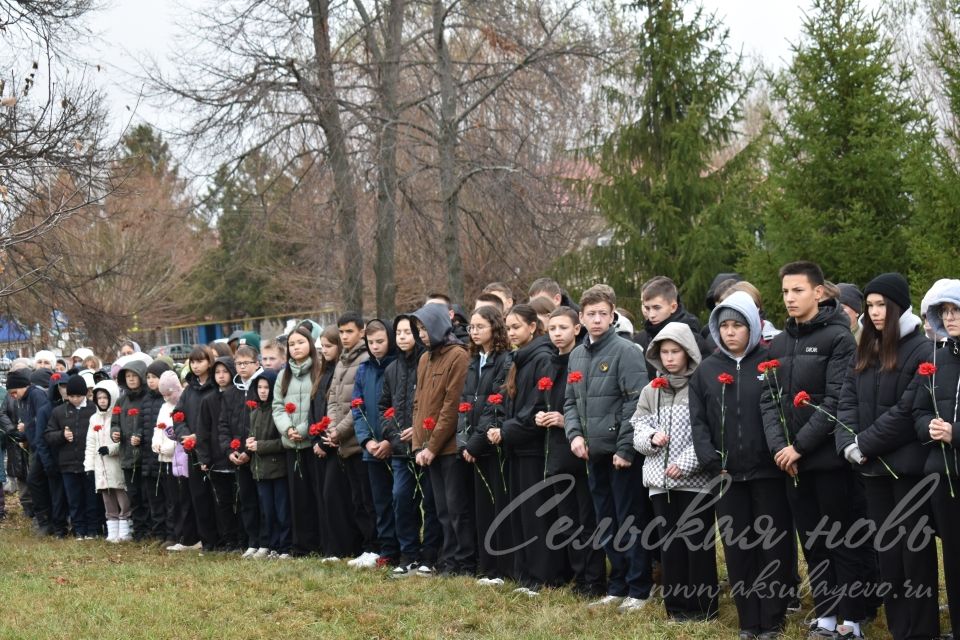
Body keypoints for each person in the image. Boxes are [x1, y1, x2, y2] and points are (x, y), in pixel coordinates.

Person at [760, 261, 871, 638]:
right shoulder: (777, 343)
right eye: (786, 292)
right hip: (790, 464)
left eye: (798, 291)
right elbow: (769, 400)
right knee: (812, 540)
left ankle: (852, 620)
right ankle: (826, 614)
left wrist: (799, 447)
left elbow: (838, 400)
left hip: (827, 461)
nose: (790, 298)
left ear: (818, 292)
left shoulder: (839, 338)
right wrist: (780, 448)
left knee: (840, 539)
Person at [836, 273, 938, 640]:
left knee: (916, 559)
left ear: (898, 307)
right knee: (889, 558)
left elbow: (909, 409)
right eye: (870, 305)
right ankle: (900, 630)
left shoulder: (922, 349)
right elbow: (846, 397)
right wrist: (849, 443)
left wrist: (864, 444)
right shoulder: (866, 345)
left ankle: (922, 631)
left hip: (909, 471)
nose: (875, 313)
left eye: (882, 305)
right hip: (873, 471)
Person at [690, 291, 794, 637]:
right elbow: (699, 420)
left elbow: (781, 413)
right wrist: (709, 459)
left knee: (772, 545)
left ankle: (773, 618)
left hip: (767, 472)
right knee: (738, 548)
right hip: (726, 475)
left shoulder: (770, 363)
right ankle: (749, 619)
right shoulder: (707, 370)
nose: (730, 332)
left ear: (752, 326)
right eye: (724, 326)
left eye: (738, 325)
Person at [564, 284, 652, 613]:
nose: (597, 319)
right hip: (592, 453)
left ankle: (639, 588)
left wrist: (626, 448)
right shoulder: (576, 354)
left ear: (612, 314)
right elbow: (570, 401)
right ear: (581, 318)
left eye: (603, 313)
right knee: (605, 522)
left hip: (620, 455)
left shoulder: (626, 351)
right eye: (591, 314)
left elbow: (637, 402)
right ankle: (617, 585)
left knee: (629, 519)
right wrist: (574, 435)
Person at [632, 321, 717, 621]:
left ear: (688, 353)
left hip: (695, 482)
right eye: (664, 352)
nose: (669, 358)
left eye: (675, 351)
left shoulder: (701, 386)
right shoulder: (650, 391)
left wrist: (686, 462)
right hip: (660, 481)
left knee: (697, 545)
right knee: (671, 546)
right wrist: (652, 440)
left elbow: (707, 433)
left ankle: (703, 608)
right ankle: (677, 607)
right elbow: (638, 429)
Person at [485, 304, 564, 595]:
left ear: (533, 327)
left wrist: (506, 431)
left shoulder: (543, 358)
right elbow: (511, 402)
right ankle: (526, 573)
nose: (511, 332)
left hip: (535, 449)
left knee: (536, 514)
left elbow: (537, 408)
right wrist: (500, 426)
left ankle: (543, 576)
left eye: (516, 326)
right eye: (508, 327)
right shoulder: (519, 358)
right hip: (517, 448)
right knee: (521, 513)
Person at [539, 307, 606, 598]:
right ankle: (580, 577)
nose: (557, 333)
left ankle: (595, 579)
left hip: (581, 450)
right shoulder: (549, 363)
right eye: (552, 328)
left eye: (563, 328)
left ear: (576, 329)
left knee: (587, 518)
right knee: (567, 519)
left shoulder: (583, 359)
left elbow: (592, 406)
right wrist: (539, 417)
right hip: (557, 452)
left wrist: (568, 421)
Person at [411, 301, 473, 576]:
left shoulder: (458, 355)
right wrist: (418, 445)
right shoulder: (424, 358)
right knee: (440, 510)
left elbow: (451, 406)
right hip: (427, 449)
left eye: (424, 327)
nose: (421, 334)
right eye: (418, 329)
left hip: (447, 448)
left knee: (457, 508)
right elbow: (418, 404)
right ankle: (448, 560)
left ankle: (464, 561)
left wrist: (433, 446)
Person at [913, 279, 960, 640]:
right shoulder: (937, 358)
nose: (951, 317)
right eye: (945, 311)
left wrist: (955, 434)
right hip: (943, 475)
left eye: (956, 309)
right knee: (953, 559)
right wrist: (927, 425)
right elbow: (916, 409)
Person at [381, 315, 442, 577]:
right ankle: (408, 553)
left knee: (430, 501)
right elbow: (384, 408)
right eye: (399, 333)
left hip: (426, 446)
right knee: (401, 497)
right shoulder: (392, 369)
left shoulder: (427, 362)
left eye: (408, 332)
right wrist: (395, 436)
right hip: (400, 450)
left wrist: (419, 433)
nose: (403, 337)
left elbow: (436, 404)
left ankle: (430, 554)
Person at [460, 305, 514, 584]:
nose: (475, 331)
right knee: (481, 507)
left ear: (495, 327)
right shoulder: (474, 360)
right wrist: (465, 441)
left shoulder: (505, 360)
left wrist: (477, 442)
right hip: (473, 445)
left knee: (497, 505)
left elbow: (496, 405)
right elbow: (466, 403)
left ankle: (501, 567)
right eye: (472, 327)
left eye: (480, 326)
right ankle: (487, 565)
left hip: (492, 445)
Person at [326, 313, 378, 568]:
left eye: (349, 331)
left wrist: (341, 430)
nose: (345, 336)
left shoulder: (366, 358)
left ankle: (375, 546)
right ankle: (365, 546)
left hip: (360, 440)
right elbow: (334, 398)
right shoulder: (341, 361)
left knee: (368, 498)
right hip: (343, 441)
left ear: (362, 331)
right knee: (357, 498)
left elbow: (360, 404)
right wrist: (332, 427)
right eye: (342, 332)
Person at [353, 319, 400, 567]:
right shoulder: (363, 370)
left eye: (380, 341)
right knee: (379, 501)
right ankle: (387, 549)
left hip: (395, 446)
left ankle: (406, 548)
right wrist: (367, 440)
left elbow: (400, 407)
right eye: (371, 343)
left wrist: (389, 441)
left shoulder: (397, 366)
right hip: (372, 449)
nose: (376, 347)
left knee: (400, 499)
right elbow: (357, 408)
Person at [273, 322, 322, 557]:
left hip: (314, 444)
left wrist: (303, 430)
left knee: (318, 495)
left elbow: (318, 407)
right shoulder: (283, 375)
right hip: (292, 444)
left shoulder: (319, 371)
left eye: (300, 342)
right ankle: (302, 544)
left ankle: (321, 541)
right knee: (298, 498)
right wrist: (288, 429)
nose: (296, 347)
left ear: (311, 344)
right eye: (291, 344)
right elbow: (277, 407)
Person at [217, 344, 265, 558]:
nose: (242, 367)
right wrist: (230, 450)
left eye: (247, 363)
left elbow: (262, 423)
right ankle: (252, 541)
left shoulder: (261, 386)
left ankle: (266, 541)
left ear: (257, 363)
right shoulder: (230, 392)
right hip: (238, 457)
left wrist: (249, 450)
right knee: (246, 500)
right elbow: (223, 424)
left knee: (263, 500)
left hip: (258, 453)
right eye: (238, 363)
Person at [172, 346, 220, 553]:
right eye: (192, 362)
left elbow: (219, 420)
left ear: (209, 362)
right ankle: (205, 539)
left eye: (200, 361)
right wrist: (185, 434)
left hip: (213, 450)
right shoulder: (189, 390)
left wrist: (200, 436)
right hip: (192, 450)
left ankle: (220, 539)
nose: (196, 365)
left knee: (216, 497)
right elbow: (178, 415)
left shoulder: (215, 387)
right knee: (197, 497)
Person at [7, 368, 65, 537]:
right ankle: (45, 520)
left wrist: (29, 428)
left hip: (43, 446)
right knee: (37, 482)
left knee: (35, 481)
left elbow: (42, 421)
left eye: (14, 391)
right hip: (34, 445)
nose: (13, 396)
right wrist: (23, 434)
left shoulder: (36, 396)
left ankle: (46, 520)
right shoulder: (23, 399)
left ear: (22, 386)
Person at [44, 374, 97, 539]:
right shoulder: (59, 412)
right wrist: (62, 435)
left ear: (86, 394)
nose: (75, 399)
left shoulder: (93, 409)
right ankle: (79, 529)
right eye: (72, 396)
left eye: (78, 396)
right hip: (67, 464)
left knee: (91, 499)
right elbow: (48, 435)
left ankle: (93, 529)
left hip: (89, 463)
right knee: (74, 500)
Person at [200, 356, 242, 552]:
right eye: (217, 372)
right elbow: (204, 431)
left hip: (237, 456)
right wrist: (205, 458)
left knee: (240, 500)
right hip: (217, 460)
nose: (221, 376)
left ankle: (243, 538)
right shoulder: (208, 400)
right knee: (223, 503)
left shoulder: (239, 395)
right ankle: (229, 539)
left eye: (225, 371)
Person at [246, 371, 290, 558]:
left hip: (277, 468)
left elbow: (283, 442)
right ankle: (272, 545)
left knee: (282, 510)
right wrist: (249, 443)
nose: (263, 391)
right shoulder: (255, 411)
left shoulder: (277, 411)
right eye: (260, 388)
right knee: (267, 510)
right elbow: (254, 435)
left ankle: (285, 546)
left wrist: (260, 446)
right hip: (259, 469)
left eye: (267, 387)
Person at [154, 370, 199, 551]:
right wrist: (157, 444)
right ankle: (180, 535)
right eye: (163, 395)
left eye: (169, 394)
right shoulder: (165, 407)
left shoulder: (184, 401)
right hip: (169, 460)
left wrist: (173, 443)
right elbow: (159, 429)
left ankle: (191, 537)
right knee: (176, 500)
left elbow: (184, 430)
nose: (166, 398)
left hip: (184, 455)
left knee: (187, 499)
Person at [111, 359, 151, 542]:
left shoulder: (148, 398)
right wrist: (115, 433)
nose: (131, 379)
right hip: (127, 455)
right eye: (127, 376)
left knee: (147, 494)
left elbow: (150, 422)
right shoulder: (121, 400)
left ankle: (150, 529)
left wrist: (141, 436)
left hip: (144, 456)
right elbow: (115, 422)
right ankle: (139, 529)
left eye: (134, 376)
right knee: (133, 495)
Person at [633, 276, 704, 380]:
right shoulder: (646, 334)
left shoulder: (690, 335)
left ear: (673, 307)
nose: (651, 315)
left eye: (657, 308)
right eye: (647, 308)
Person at [85, 379, 128, 542]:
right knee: (107, 497)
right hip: (100, 466)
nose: (102, 401)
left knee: (121, 495)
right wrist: (89, 465)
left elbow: (121, 440)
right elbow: (90, 443)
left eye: (105, 397)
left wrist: (110, 449)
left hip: (115, 464)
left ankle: (125, 528)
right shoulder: (93, 418)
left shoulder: (117, 416)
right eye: (99, 398)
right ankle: (112, 528)